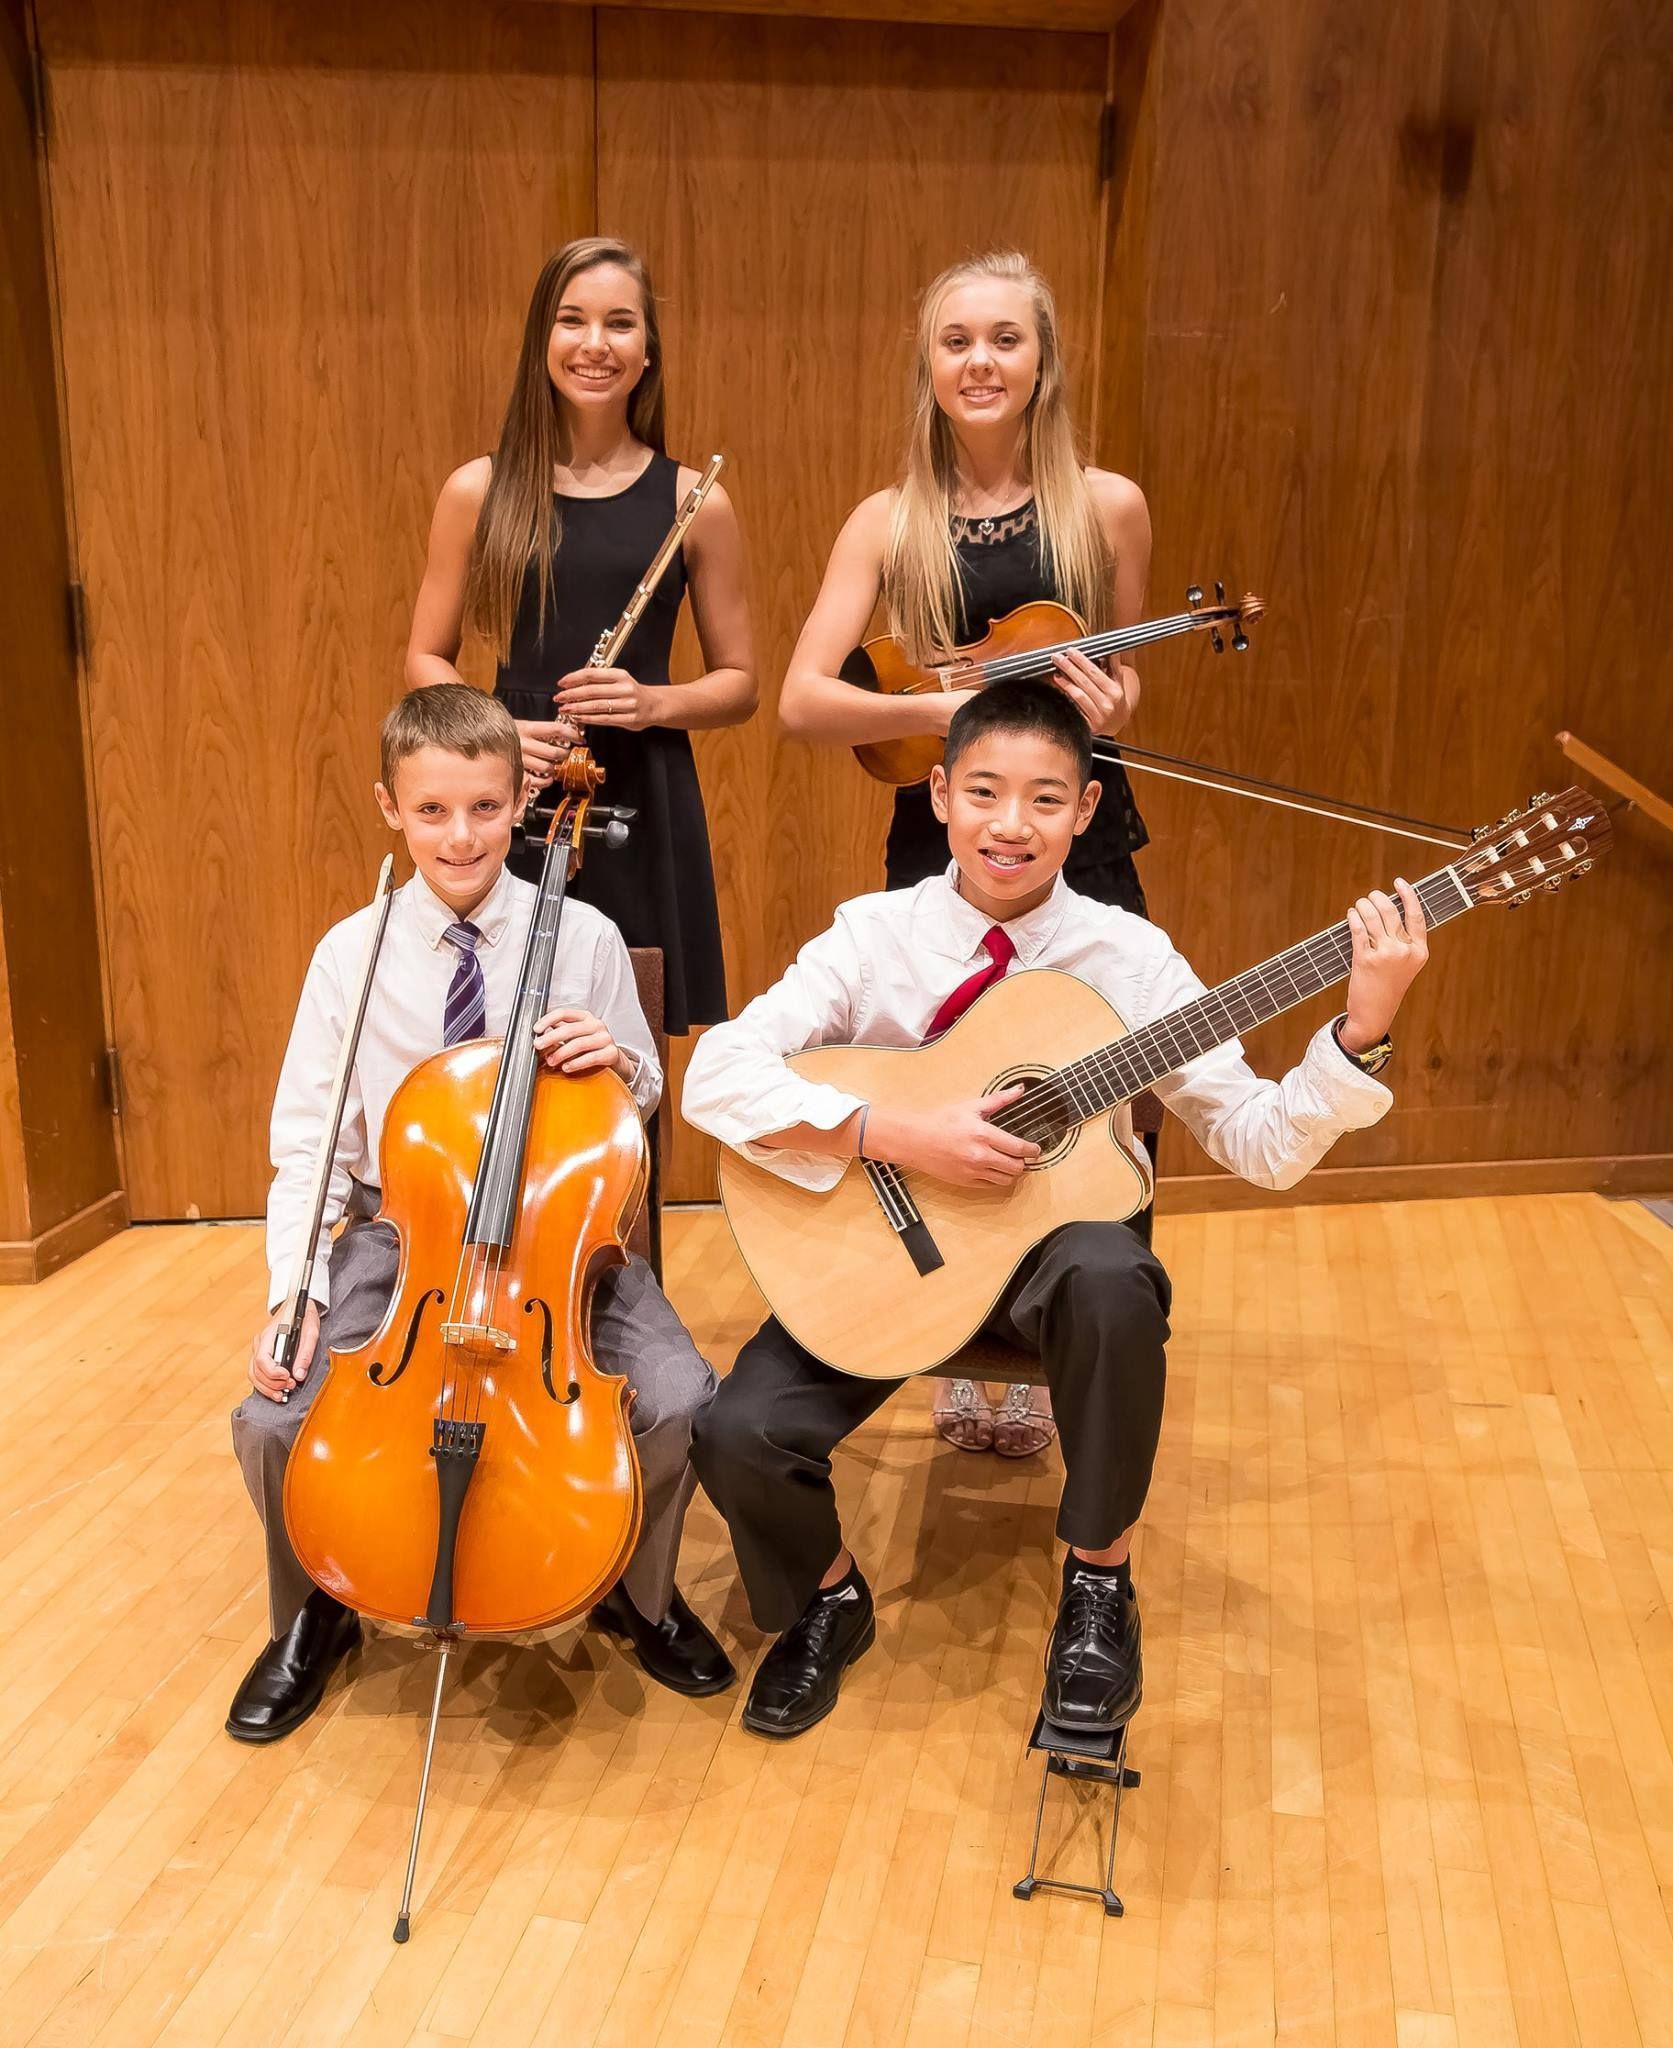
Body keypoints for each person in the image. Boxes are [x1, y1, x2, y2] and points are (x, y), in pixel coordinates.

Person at [682, 679, 1427, 1741]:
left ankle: (1097, 1583)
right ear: (938, 793)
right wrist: (897, 1133)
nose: (1009, 823)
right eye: (983, 790)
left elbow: (1257, 1144)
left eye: (1044, 798)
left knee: (1113, 1272)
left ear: (1084, 811)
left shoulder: (1130, 960)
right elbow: (716, 1073)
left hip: (1048, 1278)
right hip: (893, 1253)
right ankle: (827, 1597)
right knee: (734, 1429)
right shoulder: (871, 935)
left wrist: (1359, 1029)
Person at [226, 685, 732, 1744]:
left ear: (519, 802)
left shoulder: (583, 932)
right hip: (396, 1233)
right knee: (274, 1417)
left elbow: (634, 1097)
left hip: (554, 1235)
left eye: (486, 808)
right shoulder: (347, 954)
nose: (460, 835)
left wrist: (616, 1059)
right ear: (389, 806)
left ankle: (640, 1593)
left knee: (685, 1398)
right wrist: (294, 1297)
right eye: (432, 811)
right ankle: (317, 1604)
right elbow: (309, 1147)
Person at [779, 248, 1152, 1452]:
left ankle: (1088, 1345)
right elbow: (799, 699)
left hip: (1072, 830)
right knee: (949, 1086)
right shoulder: (889, 522)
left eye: (1004, 339)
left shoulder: (1106, 504)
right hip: (943, 835)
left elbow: (1128, 669)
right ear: (927, 366)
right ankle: (953, 1334)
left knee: (1097, 1093)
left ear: (1041, 359)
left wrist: (1112, 703)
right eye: (956, 342)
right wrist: (931, 715)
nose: (979, 361)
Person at [407, 237, 756, 1035]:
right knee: (498, 1019)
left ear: (646, 354)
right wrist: (490, 733)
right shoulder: (480, 488)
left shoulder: (694, 500)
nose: (595, 344)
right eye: (572, 321)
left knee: (627, 1039)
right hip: (515, 778)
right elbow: (424, 654)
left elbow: (739, 682)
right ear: (542, 342)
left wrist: (651, 700)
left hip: (639, 779)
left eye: (619, 324)